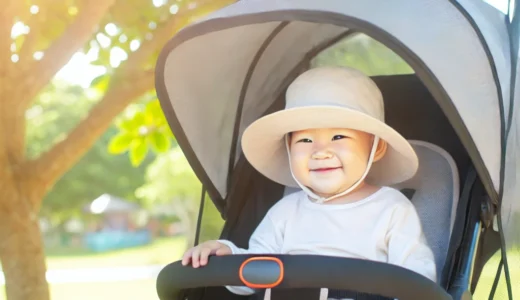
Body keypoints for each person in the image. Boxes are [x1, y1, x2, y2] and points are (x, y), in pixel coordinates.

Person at [181, 66, 437, 299]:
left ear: (376, 148)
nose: (320, 151)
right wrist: (228, 256)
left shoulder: (391, 209)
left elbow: (418, 281)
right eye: (305, 141)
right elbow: (253, 273)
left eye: (338, 136)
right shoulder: (285, 212)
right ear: (289, 149)